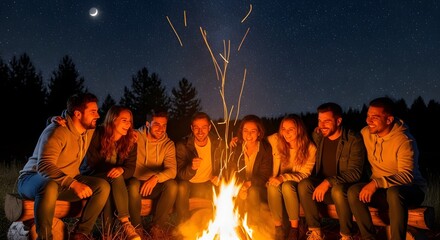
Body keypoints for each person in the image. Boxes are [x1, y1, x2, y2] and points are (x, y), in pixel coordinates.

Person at [17, 93, 110, 240]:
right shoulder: (57, 131)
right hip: (33, 179)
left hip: (64, 181)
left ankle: (80, 233)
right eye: (93, 111)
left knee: (102, 186)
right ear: (78, 114)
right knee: (49, 186)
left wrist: (134, 134)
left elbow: (112, 130)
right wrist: (73, 184)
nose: (98, 115)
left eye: (97, 111)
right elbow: (44, 166)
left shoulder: (89, 130)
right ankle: (45, 237)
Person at [347, 97, 427, 240]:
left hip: (410, 190)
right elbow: (349, 144)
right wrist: (320, 133)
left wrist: (376, 183)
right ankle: (368, 237)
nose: (368, 121)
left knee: (394, 193)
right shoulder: (366, 133)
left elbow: (407, 176)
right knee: (354, 191)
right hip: (383, 190)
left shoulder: (404, 140)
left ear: (389, 120)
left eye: (375, 117)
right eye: (368, 116)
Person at [298, 102, 366, 240]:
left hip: (345, 190)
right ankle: (316, 232)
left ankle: (347, 235)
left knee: (337, 190)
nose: (322, 125)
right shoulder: (319, 137)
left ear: (339, 121)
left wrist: (328, 182)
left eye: (327, 121)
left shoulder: (353, 139)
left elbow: (355, 173)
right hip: (323, 190)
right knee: (304, 184)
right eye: (320, 121)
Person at [80, 105, 140, 240]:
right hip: (92, 175)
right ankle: (125, 223)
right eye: (124, 120)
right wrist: (53, 119)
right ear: (113, 119)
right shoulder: (96, 134)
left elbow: (130, 168)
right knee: (114, 178)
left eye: (130, 121)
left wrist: (121, 169)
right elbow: (91, 163)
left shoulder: (130, 140)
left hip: (112, 180)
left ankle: (109, 234)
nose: (128, 124)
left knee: (115, 179)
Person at [127, 110, 177, 238]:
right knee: (132, 186)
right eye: (156, 125)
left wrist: (156, 178)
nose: (161, 129)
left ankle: (157, 227)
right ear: (148, 124)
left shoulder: (168, 144)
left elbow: (172, 170)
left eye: (164, 125)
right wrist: (128, 138)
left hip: (155, 183)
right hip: (136, 181)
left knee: (172, 185)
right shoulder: (136, 136)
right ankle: (137, 229)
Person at [267, 114, 317, 240]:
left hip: (296, 184)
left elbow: (305, 174)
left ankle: (294, 229)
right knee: (272, 187)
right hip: (278, 181)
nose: (286, 133)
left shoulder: (310, 148)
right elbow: (256, 139)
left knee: (287, 186)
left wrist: (284, 178)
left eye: (291, 129)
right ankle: (279, 228)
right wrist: (239, 139)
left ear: (299, 129)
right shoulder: (276, 139)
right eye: (284, 129)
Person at [175, 112, 224, 224]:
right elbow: (180, 174)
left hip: (208, 182)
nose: (200, 131)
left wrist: (220, 177)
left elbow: (225, 166)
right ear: (192, 128)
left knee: (225, 186)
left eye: (204, 127)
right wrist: (191, 167)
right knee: (181, 187)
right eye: (196, 128)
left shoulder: (218, 144)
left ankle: (218, 224)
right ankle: (184, 225)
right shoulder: (183, 145)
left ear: (210, 127)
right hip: (189, 183)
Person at [229, 115, 273, 224]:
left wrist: (247, 185)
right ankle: (235, 226)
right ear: (241, 132)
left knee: (253, 192)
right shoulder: (237, 147)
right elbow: (232, 170)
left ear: (259, 132)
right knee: (233, 192)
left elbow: (264, 175)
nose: (248, 135)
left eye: (253, 131)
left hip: (259, 187)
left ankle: (254, 227)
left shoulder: (265, 149)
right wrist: (240, 186)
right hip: (241, 185)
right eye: (245, 131)